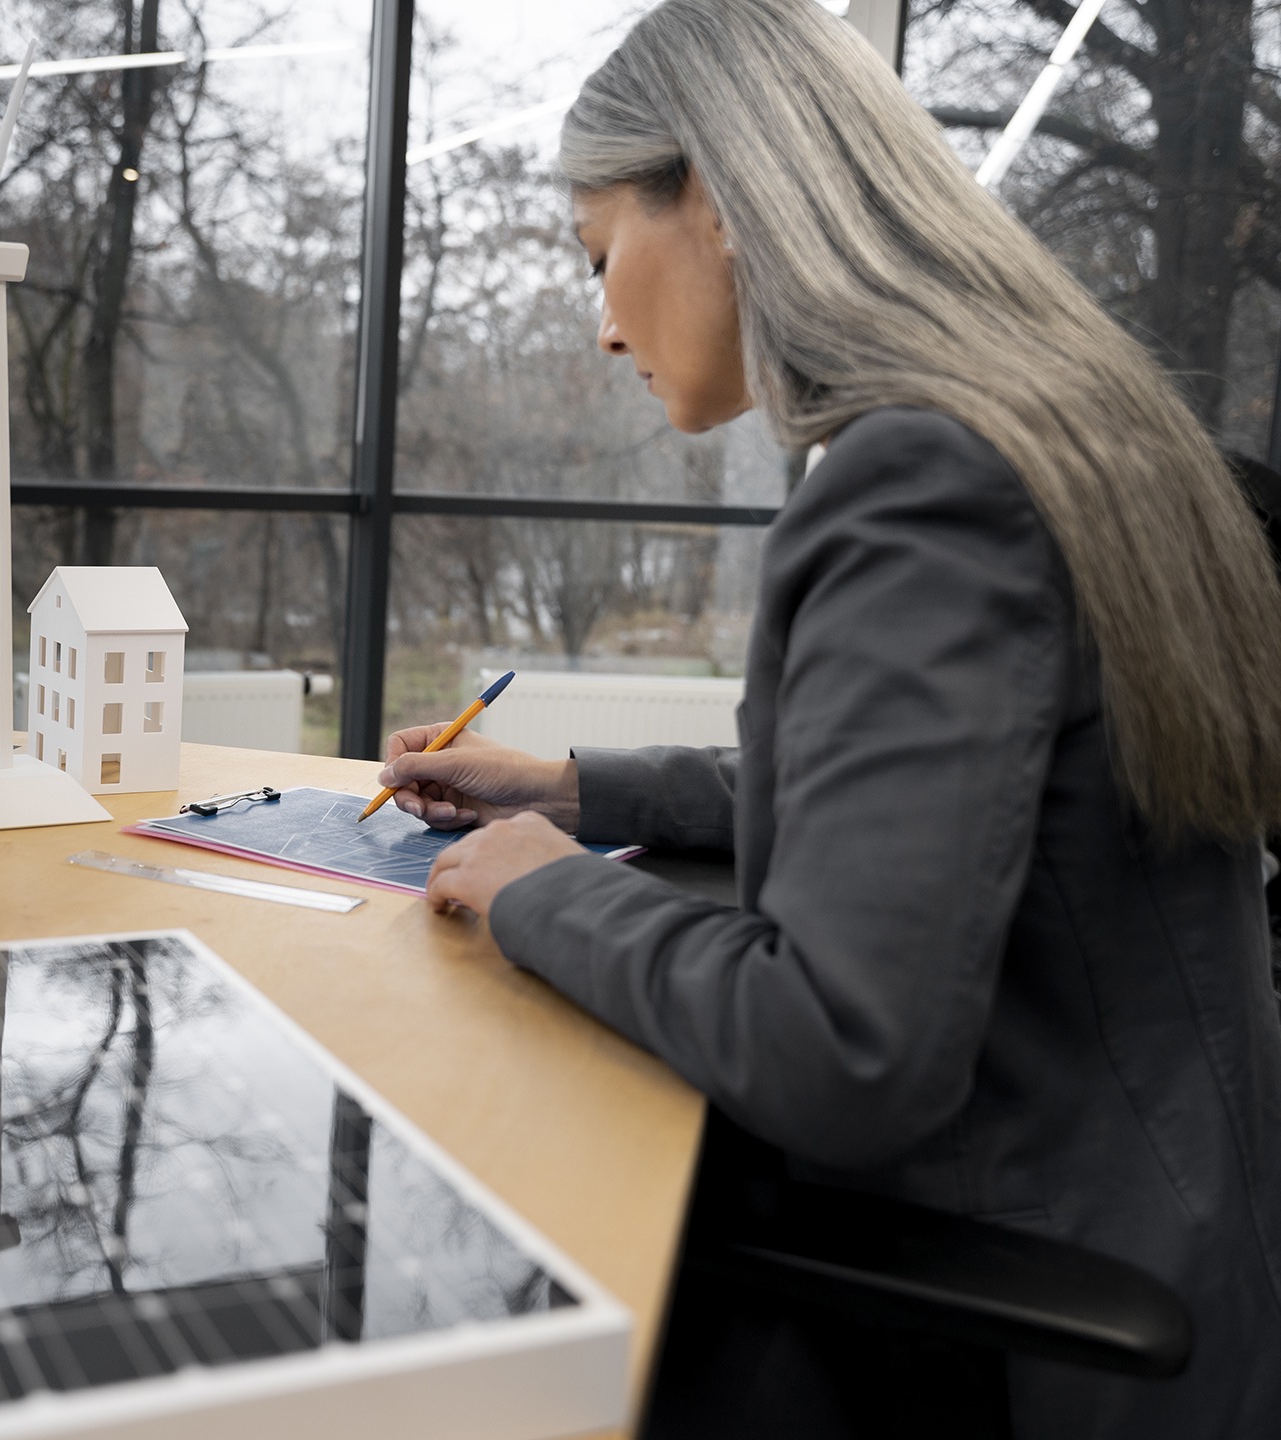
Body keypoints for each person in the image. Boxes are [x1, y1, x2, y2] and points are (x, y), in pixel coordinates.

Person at [377, 1, 1281, 1436]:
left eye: (605, 256)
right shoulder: (1050, 425)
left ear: (725, 201)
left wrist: (550, 899)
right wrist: (563, 788)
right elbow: (936, 812)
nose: (606, 325)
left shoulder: (920, 482)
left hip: (1003, 1333)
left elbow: (843, 1051)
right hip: (1157, 1224)